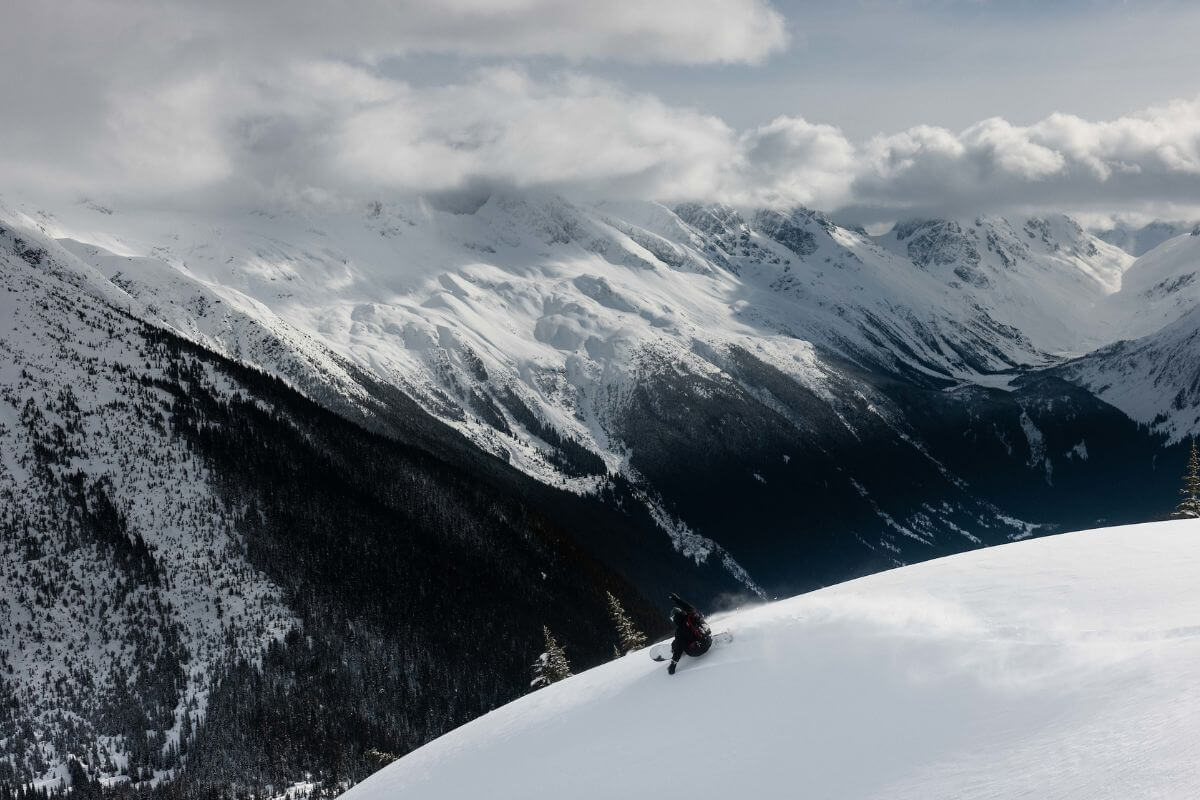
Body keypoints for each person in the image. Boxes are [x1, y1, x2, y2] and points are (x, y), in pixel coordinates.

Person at [666, 592, 712, 675]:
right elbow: (685, 605)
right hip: (708, 641)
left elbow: (678, 651)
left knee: (677, 643)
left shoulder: (679, 631)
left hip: (697, 652)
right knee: (683, 639)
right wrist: (676, 599)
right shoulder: (691, 614)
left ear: (675, 618)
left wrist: (672, 666)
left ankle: (679, 649)